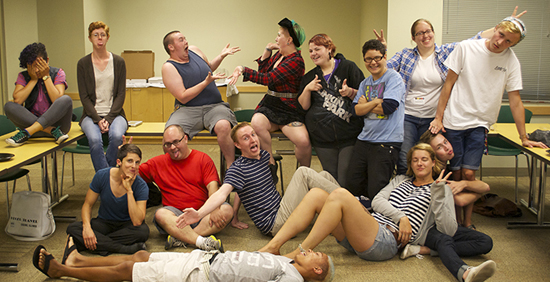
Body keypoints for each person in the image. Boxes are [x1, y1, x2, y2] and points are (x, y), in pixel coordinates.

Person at [260, 143, 497, 281]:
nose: (419, 164)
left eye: (424, 159)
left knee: (340, 195)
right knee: (317, 195)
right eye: (415, 160)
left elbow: (448, 229)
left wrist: (439, 194)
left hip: (385, 242)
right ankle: (274, 246)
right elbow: (379, 200)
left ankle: (297, 254)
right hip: (368, 229)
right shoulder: (401, 180)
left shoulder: (441, 189)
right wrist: (401, 216)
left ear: (433, 162)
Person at [374, 6, 527, 176]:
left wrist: (508, 22)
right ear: (413, 37)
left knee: (429, 160)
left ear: (433, 33)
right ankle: (405, 195)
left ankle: (427, 195)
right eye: (420, 33)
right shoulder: (405, 55)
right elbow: (382, 71)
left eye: (428, 31)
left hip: (433, 117)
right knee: (405, 158)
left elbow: (476, 40)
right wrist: (382, 52)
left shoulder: (445, 52)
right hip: (408, 115)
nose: (425, 36)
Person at [428, 15, 548, 226]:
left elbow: (515, 101)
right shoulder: (466, 48)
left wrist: (524, 137)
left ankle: (467, 222)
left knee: (468, 174)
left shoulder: (511, 61)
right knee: (455, 175)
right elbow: (447, 85)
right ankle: (454, 221)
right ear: (496, 29)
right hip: (454, 120)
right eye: (501, 35)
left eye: (508, 41)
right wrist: (439, 118)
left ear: (514, 44)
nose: (501, 42)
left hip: (480, 124)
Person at [176, 122, 340, 236]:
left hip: (282, 208)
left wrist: (235, 214)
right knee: (303, 172)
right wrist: (199, 214)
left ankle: (340, 212)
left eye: (253, 135)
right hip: (274, 224)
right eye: (246, 138)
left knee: (324, 175)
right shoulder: (237, 169)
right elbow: (220, 194)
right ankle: (351, 202)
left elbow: (245, 188)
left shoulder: (263, 156)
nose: (253, 139)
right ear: (238, 145)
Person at [32, 236, 334, 282]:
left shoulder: (293, 278)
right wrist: (299, 254)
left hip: (200, 276)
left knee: (129, 269)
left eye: (314, 255)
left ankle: (61, 271)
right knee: (140, 255)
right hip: (202, 259)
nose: (308, 251)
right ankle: (78, 260)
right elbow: (290, 251)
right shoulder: (286, 264)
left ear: (317, 270)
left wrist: (300, 261)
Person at [229, 17, 311, 178]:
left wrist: (243, 69)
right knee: (257, 122)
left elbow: (268, 79)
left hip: (289, 109)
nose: (276, 38)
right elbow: (264, 70)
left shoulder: (296, 61)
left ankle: (304, 175)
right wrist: (267, 50)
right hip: (271, 105)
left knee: (303, 142)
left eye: (279, 35)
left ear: (289, 40)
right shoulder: (279, 55)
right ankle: (270, 165)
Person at [139, 124, 232, 251]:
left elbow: (213, 186)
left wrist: (215, 208)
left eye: (176, 142)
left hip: (202, 213)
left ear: (186, 139)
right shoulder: (156, 163)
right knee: (160, 214)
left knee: (227, 210)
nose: (172, 147)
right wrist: (124, 154)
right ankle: (200, 240)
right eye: (168, 144)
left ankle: (181, 238)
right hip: (176, 217)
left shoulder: (203, 159)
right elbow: (130, 173)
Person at [161, 30, 239, 169]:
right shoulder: (169, 67)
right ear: (171, 47)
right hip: (187, 110)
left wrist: (221, 56)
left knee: (224, 125)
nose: (186, 41)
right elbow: (183, 97)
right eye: (181, 40)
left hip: (215, 106)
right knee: (170, 135)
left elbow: (208, 68)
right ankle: (175, 172)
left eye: (185, 38)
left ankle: (231, 168)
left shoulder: (194, 50)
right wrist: (205, 83)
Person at [297, 34, 364, 187]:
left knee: (345, 177)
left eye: (317, 49)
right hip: (323, 139)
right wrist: (308, 89)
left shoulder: (348, 67)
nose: (313, 53)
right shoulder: (310, 77)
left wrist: (350, 92)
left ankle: (346, 209)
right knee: (330, 178)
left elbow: (365, 95)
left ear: (329, 49)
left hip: (349, 135)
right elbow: (303, 106)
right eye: (311, 51)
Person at [345, 39, 405, 199]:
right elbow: (356, 110)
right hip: (364, 140)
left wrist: (368, 104)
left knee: (376, 190)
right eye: (368, 59)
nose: (373, 62)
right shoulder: (366, 83)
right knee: (353, 185)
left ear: (385, 56)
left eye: (377, 58)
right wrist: (377, 101)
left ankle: (376, 223)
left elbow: (388, 108)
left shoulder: (394, 78)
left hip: (387, 142)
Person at [66, 144, 149, 256]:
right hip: (104, 222)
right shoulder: (102, 176)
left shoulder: (141, 186)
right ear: (119, 162)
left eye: (137, 162)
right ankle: (123, 249)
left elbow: (137, 221)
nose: (134, 166)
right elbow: (88, 205)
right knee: (73, 228)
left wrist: (129, 191)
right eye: (129, 161)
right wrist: (87, 228)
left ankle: (97, 244)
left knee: (143, 232)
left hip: (126, 225)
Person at [77, 21, 128, 172]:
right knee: (94, 139)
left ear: (107, 38)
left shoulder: (118, 62)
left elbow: (120, 94)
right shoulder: (83, 63)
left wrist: (109, 118)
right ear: (90, 38)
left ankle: (106, 175)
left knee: (117, 136)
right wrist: (98, 120)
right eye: (95, 35)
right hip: (91, 115)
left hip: (115, 114)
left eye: (102, 35)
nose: (99, 38)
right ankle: (106, 178)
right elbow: (84, 96)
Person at [4, 42, 72, 146]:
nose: (36, 70)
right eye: (32, 66)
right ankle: (50, 130)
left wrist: (46, 77)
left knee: (66, 99)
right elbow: (18, 100)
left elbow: (57, 99)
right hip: (37, 128)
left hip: (60, 127)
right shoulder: (23, 76)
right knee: (9, 106)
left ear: (47, 61)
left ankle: (27, 132)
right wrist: (33, 80)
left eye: (39, 65)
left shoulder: (58, 73)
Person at [419, 130, 490, 228]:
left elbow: (485, 187)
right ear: (432, 155)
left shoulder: (447, 170)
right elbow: (461, 200)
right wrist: (477, 191)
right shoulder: (435, 175)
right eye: (439, 147)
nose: (446, 147)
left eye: (445, 142)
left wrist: (464, 184)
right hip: (430, 226)